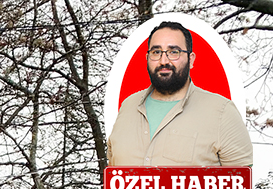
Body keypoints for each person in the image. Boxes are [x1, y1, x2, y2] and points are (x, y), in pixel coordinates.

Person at [108, 21, 253, 167]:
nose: (163, 61)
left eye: (173, 52)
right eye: (156, 52)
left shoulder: (222, 112)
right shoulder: (127, 107)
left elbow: (241, 185)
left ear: (191, 60)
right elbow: (112, 178)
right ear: (147, 58)